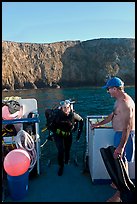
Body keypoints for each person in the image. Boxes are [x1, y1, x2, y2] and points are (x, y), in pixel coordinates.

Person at [91, 77, 135, 202]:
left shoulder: (125, 103)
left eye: (109, 89)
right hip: (119, 134)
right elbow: (112, 116)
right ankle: (119, 186)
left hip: (124, 136)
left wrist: (121, 147)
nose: (108, 91)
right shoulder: (118, 101)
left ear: (115, 89)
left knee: (122, 162)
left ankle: (119, 195)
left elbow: (127, 127)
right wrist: (98, 124)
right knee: (121, 162)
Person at [46, 100, 83, 176]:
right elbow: (47, 111)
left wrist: (78, 133)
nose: (66, 110)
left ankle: (67, 161)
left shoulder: (73, 115)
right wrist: (51, 132)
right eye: (64, 108)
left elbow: (81, 121)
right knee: (61, 150)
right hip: (58, 134)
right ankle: (61, 166)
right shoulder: (56, 114)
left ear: (70, 108)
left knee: (67, 150)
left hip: (68, 134)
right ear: (61, 108)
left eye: (67, 108)